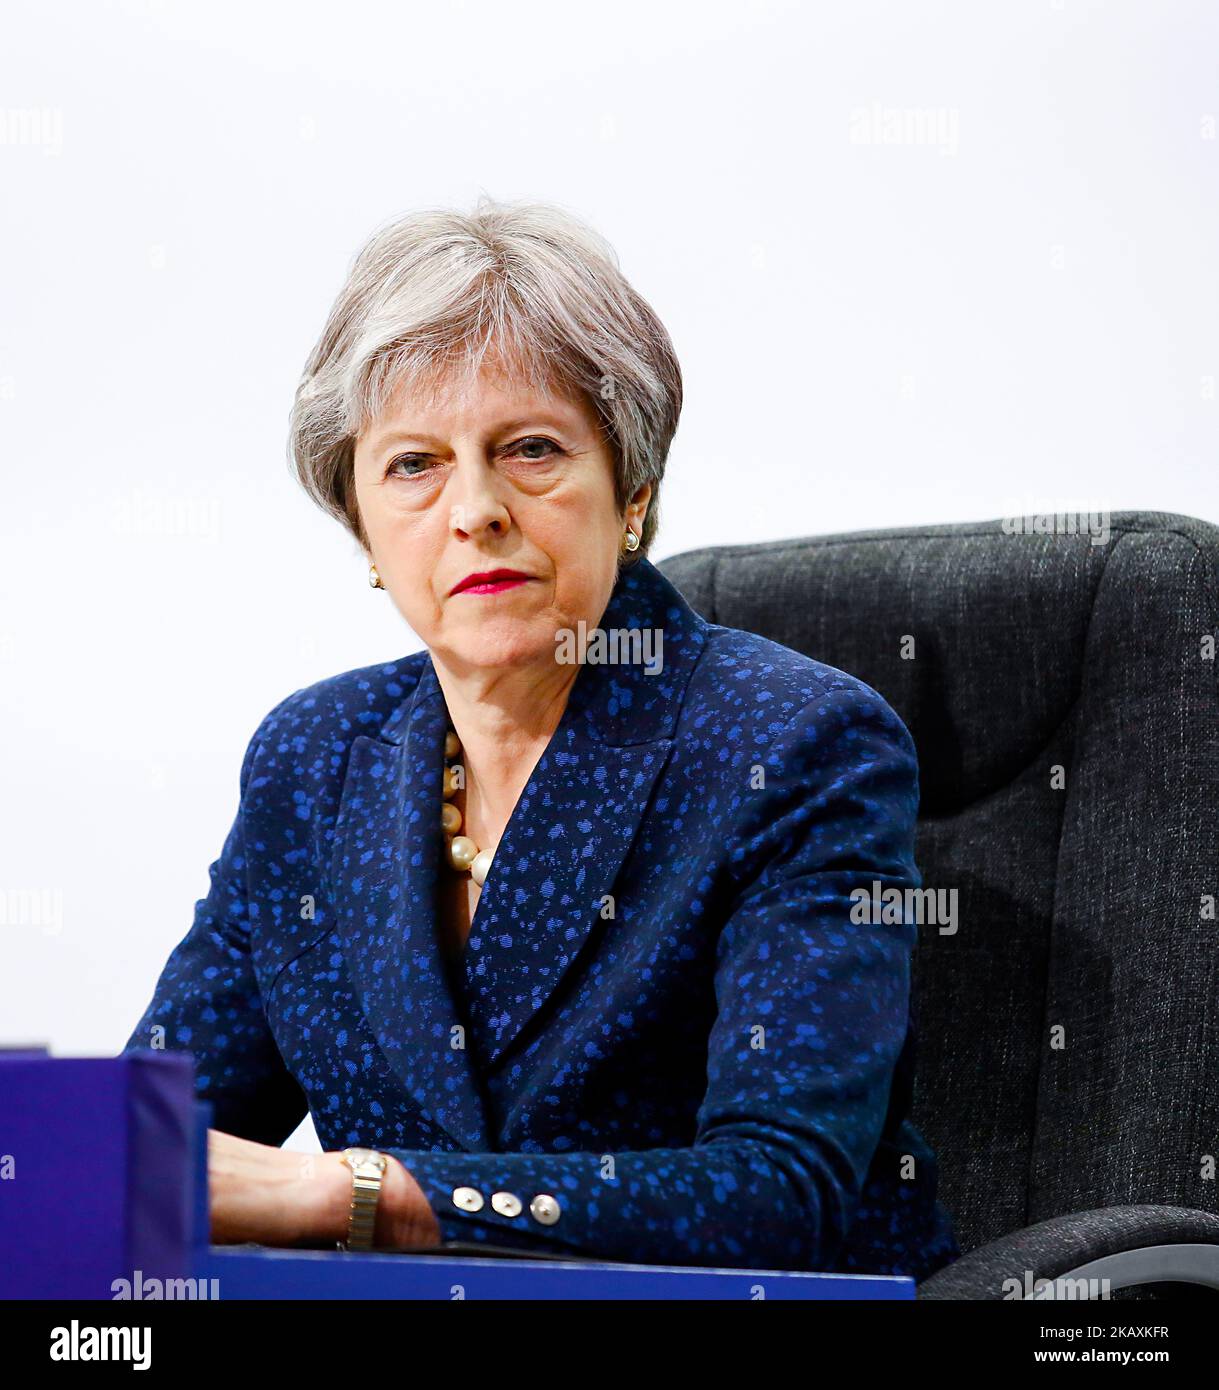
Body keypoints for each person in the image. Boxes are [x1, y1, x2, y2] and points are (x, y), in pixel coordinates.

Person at [123, 197, 959, 1278]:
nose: (473, 509)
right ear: (362, 527)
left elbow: (775, 1196)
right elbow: (150, 1146)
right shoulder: (312, 761)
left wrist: (351, 1191)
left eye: (527, 449)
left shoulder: (794, 746)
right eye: (412, 464)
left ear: (631, 493)